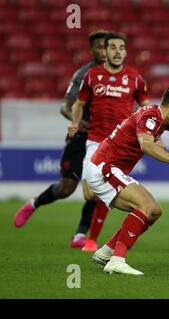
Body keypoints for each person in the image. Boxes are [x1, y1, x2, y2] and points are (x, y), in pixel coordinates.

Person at [78, 86, 169, 275]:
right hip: (105, 167)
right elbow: (147, 145)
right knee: (146, 207)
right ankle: (117, 260)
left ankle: (107, 251)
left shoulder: (160, 117)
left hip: (107, 168)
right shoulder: (150, 117)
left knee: (154, 212)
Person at [13, 30, 108, 249]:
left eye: (107, 46)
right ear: (91, 49)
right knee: (66, 189)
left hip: (102, 139)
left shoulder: (121, 78)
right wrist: (76, 122)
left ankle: (80, 235)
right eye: (99, 47)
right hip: (80, 137)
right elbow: (66, 106)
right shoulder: (83, 74)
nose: (103, 51)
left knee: (95, 189)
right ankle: (34, 203)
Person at [68, 31, 151, 252]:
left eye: (121, 48)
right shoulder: (91, 76)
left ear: (125, 52)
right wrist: (75, 124)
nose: (117, 52)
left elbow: (145, 108)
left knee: (107, 187)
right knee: (90, 193)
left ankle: (93, 240)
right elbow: (78, 104)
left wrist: (152, 131)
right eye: (112, 47)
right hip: (95, 141)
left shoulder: (135, 78)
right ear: (105, 51)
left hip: (120, 144)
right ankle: (136, 210)